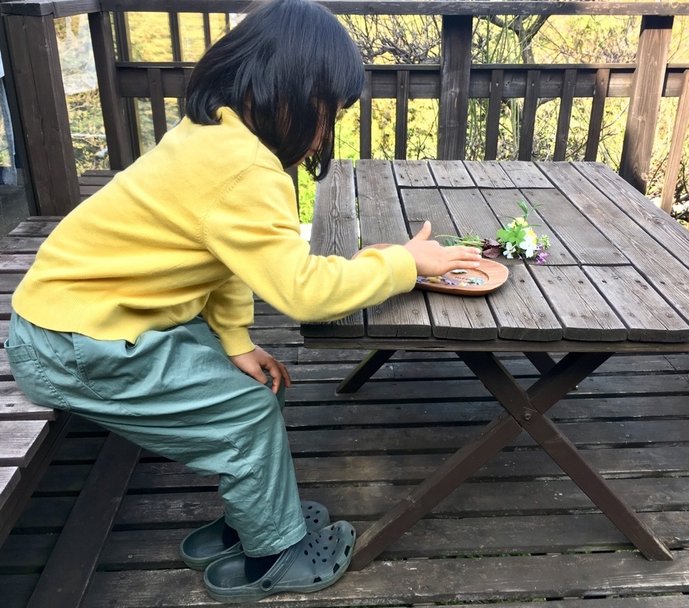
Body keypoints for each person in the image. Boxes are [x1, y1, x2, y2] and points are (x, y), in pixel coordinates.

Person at [3, 0, 481, 602]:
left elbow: (224, 264)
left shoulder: (213, 134)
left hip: (78, 320)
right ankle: (273, 551)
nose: (324, 131)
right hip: (75, 345)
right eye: (327, 112)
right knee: (246, 415)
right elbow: (304, 293)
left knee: (247, 392)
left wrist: (235, 341)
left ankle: (250, 515)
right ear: (294, 94)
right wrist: (406, 264)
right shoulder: (246, 172)